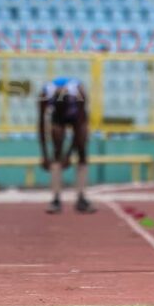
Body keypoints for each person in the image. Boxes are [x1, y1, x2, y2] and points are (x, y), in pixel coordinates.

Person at [38, 76, 96, 214]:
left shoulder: (79, 94)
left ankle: (81, 198)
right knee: (57, 151)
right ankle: (56, 199)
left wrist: (69, 155)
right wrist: (45, 155)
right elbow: (41, 124)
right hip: (58, 118)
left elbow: (80, 125)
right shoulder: (45, 95)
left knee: (82, 148)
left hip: (78, 117)